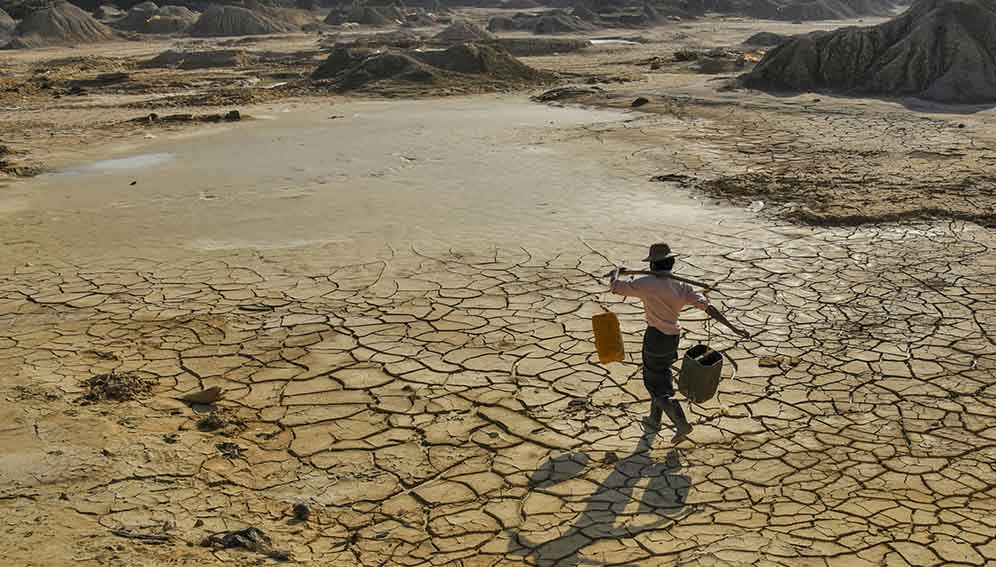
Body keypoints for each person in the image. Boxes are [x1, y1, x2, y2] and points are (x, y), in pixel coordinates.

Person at [610, 243, 750, 442]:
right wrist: (734, 328)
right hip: (672, 338)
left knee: (655, 383)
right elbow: (708, 307)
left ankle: (682, 423)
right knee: (661, 376)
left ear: (652, 266)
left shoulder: (645, 283)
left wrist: (616, 272)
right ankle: (654, 419)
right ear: (672, 263)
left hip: (655, 337)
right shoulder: (682, 286)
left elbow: (615, 288)